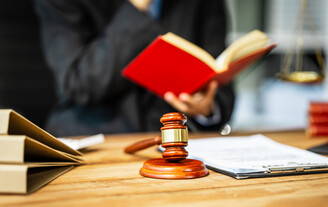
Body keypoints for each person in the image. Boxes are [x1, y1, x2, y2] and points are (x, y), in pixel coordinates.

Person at [35, 0, 235, 136]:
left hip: (179, 145)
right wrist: (136, 7)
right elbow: (78, 84)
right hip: (92, 140)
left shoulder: (204, 4)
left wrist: (206, 109)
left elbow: (220, 82)